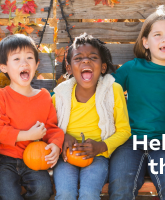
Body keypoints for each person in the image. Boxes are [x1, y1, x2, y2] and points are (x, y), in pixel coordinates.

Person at [108, 5, 165, 200]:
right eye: (158, 35)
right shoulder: (132, 68)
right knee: (120, 186)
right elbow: (104, 90)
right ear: (145, 42)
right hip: (130, 141)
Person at [52, 33, 131, 200]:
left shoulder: (113, 90)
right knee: (65, 194)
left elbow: (124, 130)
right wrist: (62, 136)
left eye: (93, 57)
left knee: (89, 194)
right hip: (66, 157)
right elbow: (49, 128)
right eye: (78, 58)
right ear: (69, 68)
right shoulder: (59, 96)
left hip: (97, 156)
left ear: (103, 67)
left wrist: (102, 146)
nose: (85, 61)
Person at [0, 34, 64, 200]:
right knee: (7, 192)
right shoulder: (0, 96)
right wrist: (27, 135)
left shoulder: (44, 97)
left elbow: (51, 128)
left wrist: (55, 145)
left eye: (29, 58)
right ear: (4, 67)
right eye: (16, 59)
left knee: (43, 190)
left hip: (35, 160)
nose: (24, 63)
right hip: (5, 160)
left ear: (36, 64)